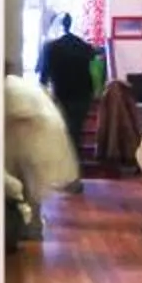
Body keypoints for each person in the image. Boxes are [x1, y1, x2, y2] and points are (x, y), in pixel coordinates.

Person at [34, 13, 99, 187]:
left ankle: (68, 177)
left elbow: (43, 76)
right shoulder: (82, 46)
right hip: (83, 94)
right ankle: (73, 178)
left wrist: (41, 96)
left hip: (62, 95)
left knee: (65, 136)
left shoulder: (51, 47)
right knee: (74, 134)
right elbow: (94, 57)